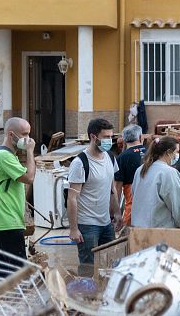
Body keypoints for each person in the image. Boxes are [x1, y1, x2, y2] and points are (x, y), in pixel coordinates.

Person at [67, 118, 122, 277]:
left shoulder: (110, 158)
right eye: (105, 137)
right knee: (88, 268)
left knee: (109, 266)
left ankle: (103, 298)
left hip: (106, 223)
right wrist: (73, 229)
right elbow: (72, 198)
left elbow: (112, 189)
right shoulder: (80, 163)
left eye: (111, 136)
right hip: (87, 225)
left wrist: (117, 212)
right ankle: (84, 299)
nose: (109, 141)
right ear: (93, 137)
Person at [0, 118, 36, 274]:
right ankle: (9, 298)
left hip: (2, 221)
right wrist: (31, 152)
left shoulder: (4, 154)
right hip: (5, 222)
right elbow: (29, 177)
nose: (28, 139)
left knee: (2, 270)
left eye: (29, 134)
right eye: (25, 134)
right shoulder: (4, 157)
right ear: (11, 135)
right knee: (16, 273)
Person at [131, 136, 180, 229]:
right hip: (161, 231)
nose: (177, 155)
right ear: (168, 152)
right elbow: (177, 204)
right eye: (176, 152)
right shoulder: (169, 172)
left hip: (139, 229)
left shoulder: (140, 170)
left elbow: (135, 194)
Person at [114, 124, 146, 226]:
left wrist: (116, 212)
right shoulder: (151, 153)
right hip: (153, 201)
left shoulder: (121, 158)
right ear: (141, 137)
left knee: (131, 234)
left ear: (124, 140)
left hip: (133, 203)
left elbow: (117, 187)